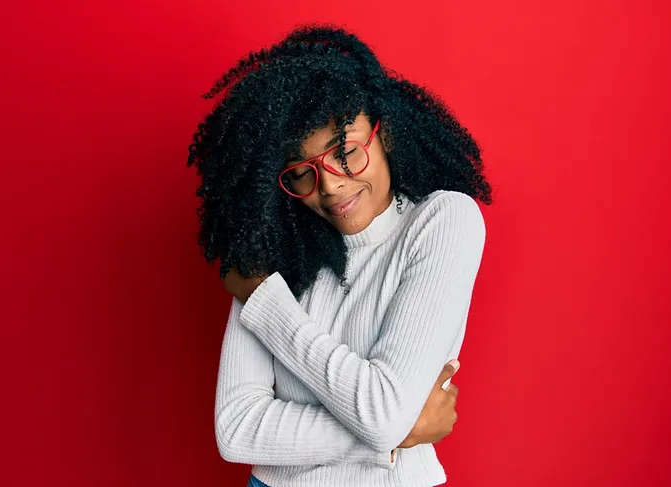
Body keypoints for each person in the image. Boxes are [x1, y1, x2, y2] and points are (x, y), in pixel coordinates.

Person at [187, 24, 492, 487]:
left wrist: (267, 303)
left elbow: (385, 414)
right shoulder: (271, 249)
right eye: (303, 173)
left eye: (345, 153)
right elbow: (236, 429)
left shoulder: (444, 221)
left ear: (382, 134)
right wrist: (399, 432)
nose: (330, 185)